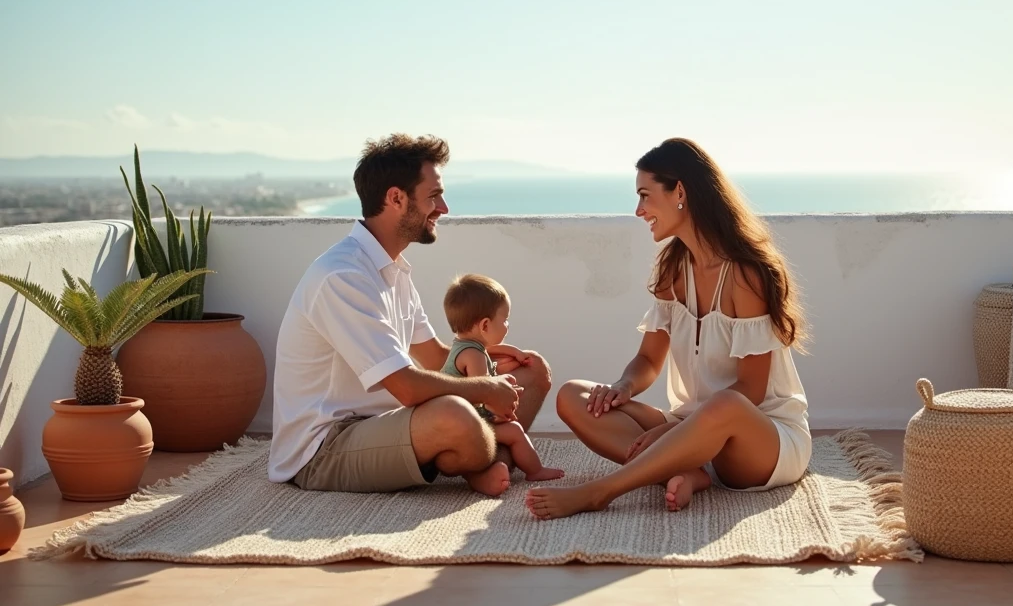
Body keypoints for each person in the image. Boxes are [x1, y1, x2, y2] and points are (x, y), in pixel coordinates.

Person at [526, 137, 811, 520]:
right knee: (574, 396)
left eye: (645, 195)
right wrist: (622, 388)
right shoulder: (673, 269)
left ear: (679, 191)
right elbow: (648, 358)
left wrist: (672, 432)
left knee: (727, 404)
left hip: (762, 437)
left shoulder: (745, 274)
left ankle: (602, 491)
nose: (639, 210)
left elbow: (751, 390)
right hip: (691, 425)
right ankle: (685, 471)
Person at [268, 134, 553, 498]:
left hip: (388, 425)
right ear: (396, 198)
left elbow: (436, 359)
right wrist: (484, 387)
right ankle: (487, 460)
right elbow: (407, 387)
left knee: (532, 372)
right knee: (455, 416)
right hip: (326, 447)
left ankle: (486, 465)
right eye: (433, 196)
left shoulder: (394, 271)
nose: (444, 207)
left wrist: (486, 356)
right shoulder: (342, 277)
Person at [441, 273, 565, 489]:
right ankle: (535, 471)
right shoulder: (475, 357)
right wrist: (501, 414)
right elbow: (483, 392)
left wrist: (512, 351)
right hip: (465, 427)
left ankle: (494, 469)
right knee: (514, 430)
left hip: (457, 420)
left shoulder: (465, 347)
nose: (507, 325)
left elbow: (487, 350)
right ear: (485, 326)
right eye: (505, 319)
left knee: (510, 428)